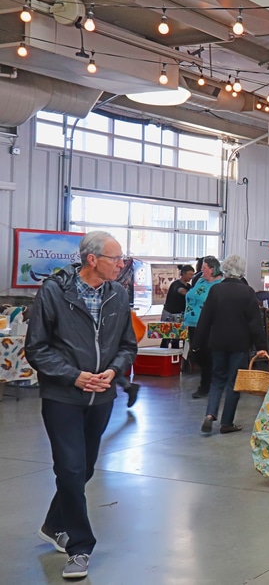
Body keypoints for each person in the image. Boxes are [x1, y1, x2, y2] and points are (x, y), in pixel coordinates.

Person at [25, 231, 138, 580]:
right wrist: (74, 376)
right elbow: (37, 348)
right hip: (63, 397)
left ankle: (52, 523)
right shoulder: (54, 293)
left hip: (101, 396)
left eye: (123, 259)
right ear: (92, 260)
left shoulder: (118, 295)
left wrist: (113, 370)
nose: (122, 265)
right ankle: (80, 547)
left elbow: (127, 345)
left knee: (84, 469)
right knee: (70, 469)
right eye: (116, 259)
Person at [195, 255, 268, 435]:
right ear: (242, 271)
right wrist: (261, 345)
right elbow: (254, 322)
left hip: (217, 342)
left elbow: (205, 318)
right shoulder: (248, 292)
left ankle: (210, 414)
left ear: (225, 269)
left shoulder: (216, 290)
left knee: (217, 380)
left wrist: (197, 342)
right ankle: (227, 423)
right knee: (234, 383)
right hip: (239, 344)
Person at [185, 257, 223, 399]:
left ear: (212, 269)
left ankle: (206, 386)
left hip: (208, 325)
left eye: (204, 267)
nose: (201, 270)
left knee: (207, 356)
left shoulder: (219, 284)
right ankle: (210, 382)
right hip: (193, 323)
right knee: (196, 354)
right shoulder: (200, 280)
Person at [160, 264, 195, 350]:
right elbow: (182, 292)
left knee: (177, 338)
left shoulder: (189, 286)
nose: (191, 277)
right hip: (170, 314)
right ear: (183, 273)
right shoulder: (176, 285)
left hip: (180, 314)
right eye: (190, 274)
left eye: (193, 274)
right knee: (166, 337)